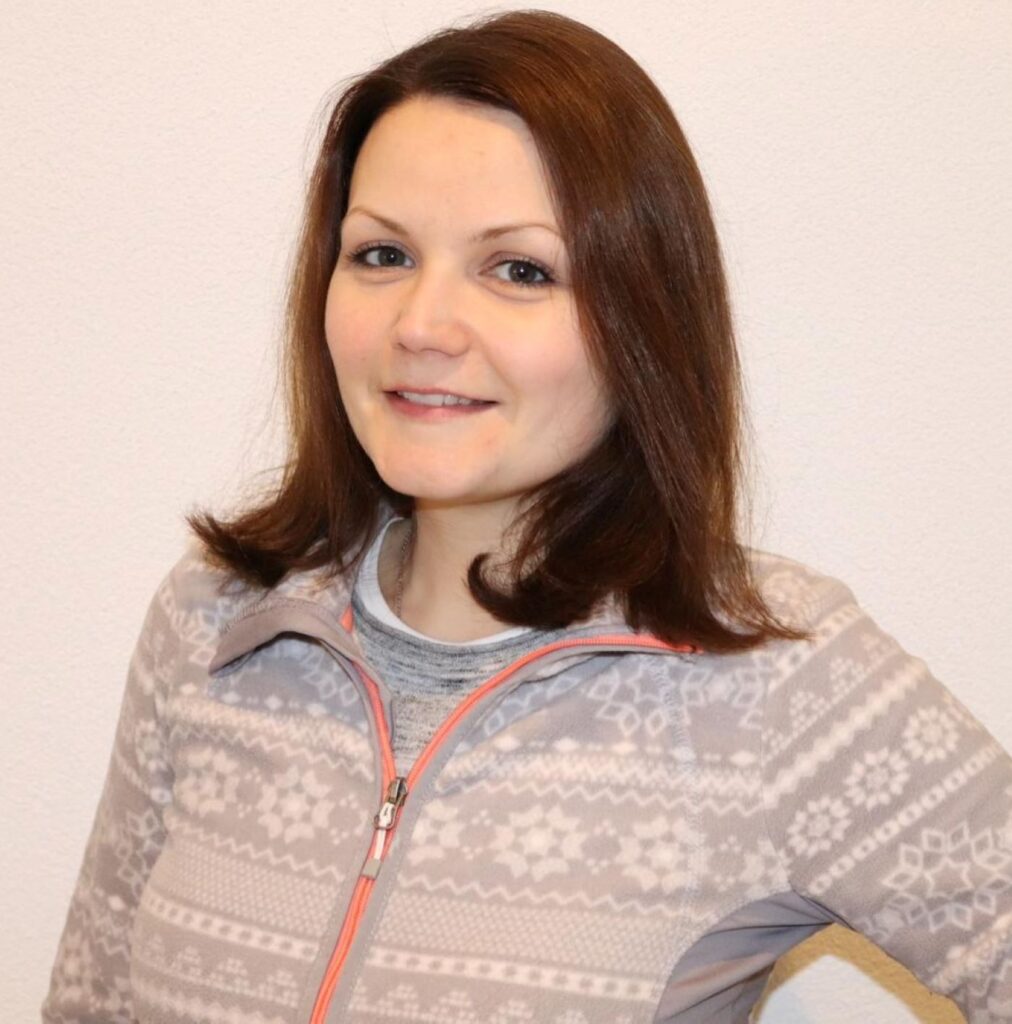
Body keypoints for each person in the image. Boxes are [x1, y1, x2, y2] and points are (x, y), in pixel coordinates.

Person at [42, 9, 1012, 1024]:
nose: (421, 325)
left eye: (519, 269)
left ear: (640, 317)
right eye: (381, 254)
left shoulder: (774, 677)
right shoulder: (214, 623)